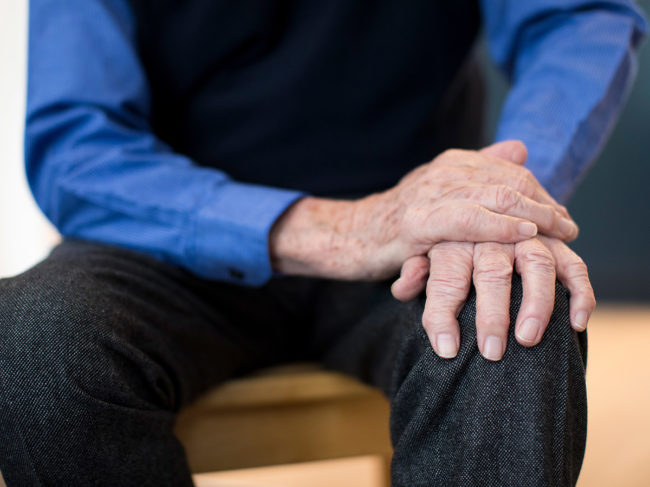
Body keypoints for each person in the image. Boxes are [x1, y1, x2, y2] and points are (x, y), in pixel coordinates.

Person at [0, 0, 646, 485]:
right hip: (166, 242)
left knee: (513, 318)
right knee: (30, 338)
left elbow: (577, 17)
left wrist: (494, 194)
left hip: (419, 240)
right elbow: (77, 144)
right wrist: (342, 229)